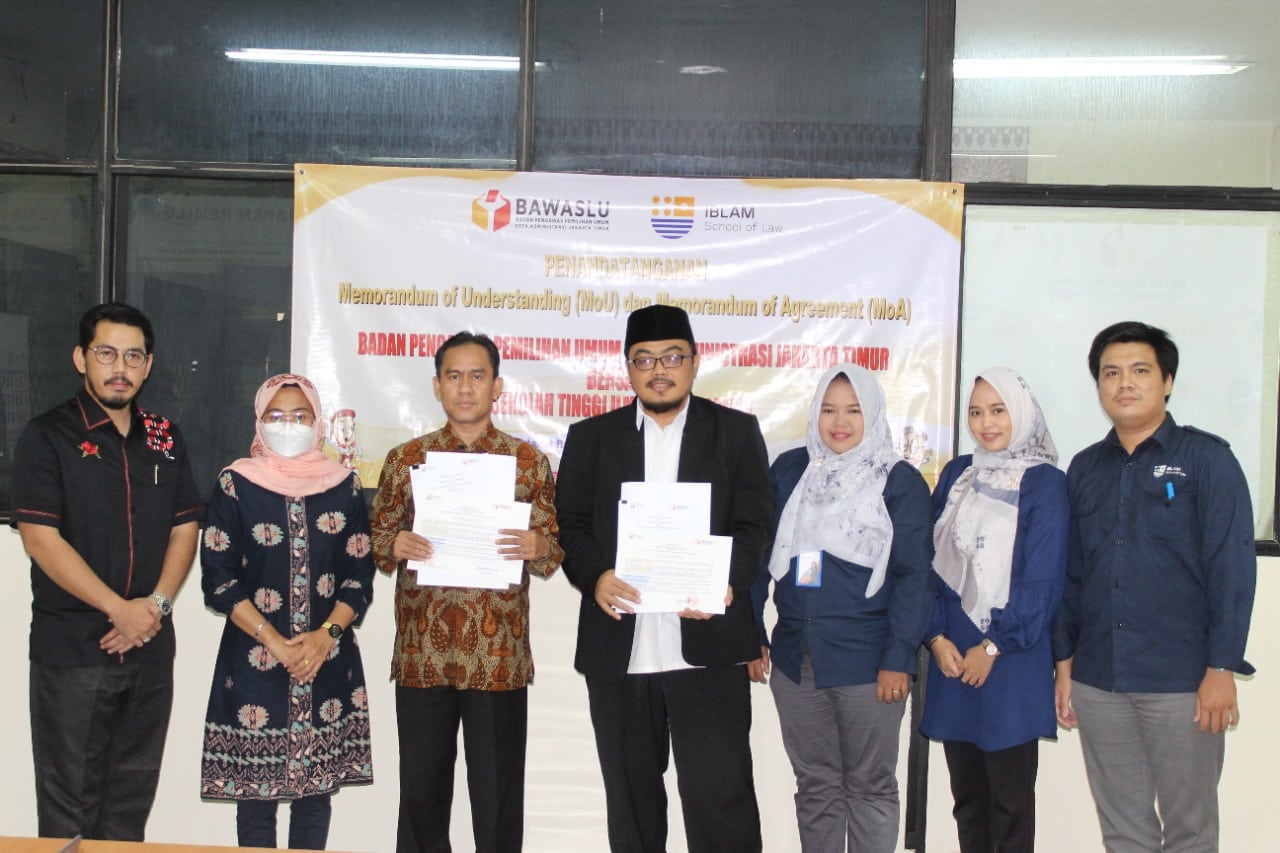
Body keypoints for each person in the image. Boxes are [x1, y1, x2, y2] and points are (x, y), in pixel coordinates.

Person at [556, 304, 773, 853]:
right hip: (621, 649)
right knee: (631, 808)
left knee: (721, 801)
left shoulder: (735, 433)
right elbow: (571, 526)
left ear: (695, 362)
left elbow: (754, 527)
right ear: (627, 368)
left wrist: (725, 583)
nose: (659, 370)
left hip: (708, 646)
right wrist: (595, 576)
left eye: (672, 357)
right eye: (644, 359)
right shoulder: (591, 438)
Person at [1053, 321, 1256, 852]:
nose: (1124, 383)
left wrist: (1221, 669)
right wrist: (1065, 666)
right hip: (1099, 680)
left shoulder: (1208, 461)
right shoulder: (1084, 468)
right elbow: (1071, 575)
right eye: (1110, 373)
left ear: (1167, 381)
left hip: (1184, 683)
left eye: (1140, 370)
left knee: (1190, 832)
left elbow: (1232, 570)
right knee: (1123, 832)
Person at [9, 302, 203, 840]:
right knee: (69, 810)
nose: (120, 367)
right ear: (81, 359)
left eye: (133, 356)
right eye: (107, 353)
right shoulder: (48, 436)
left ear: (148, 365)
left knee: (128, 811)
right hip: (74, 653)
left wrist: (155, 608)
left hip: (149, 651)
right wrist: (119, 609)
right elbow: (41, 539)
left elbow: (185, 527)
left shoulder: (165, 436)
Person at [370, 331, 562, 853]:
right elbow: (377, 539)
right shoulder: (406, 459)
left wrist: (537, 544)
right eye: (453, 376)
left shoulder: (528, 461)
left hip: (496, 656)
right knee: (421, 797)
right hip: (423, 655)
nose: (465, 387)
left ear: (497, 386)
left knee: (498, 801)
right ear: (437, 386)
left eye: (478, 376)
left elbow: (552, 549)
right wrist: (395, 543)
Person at [749, 363, 933, 853]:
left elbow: (915, 577)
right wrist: (751, 632)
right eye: (829, 410)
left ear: (872, 414)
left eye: (853, 410)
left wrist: (898, 658)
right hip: (796, 660)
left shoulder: (899, 481)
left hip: (869, 663)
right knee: (815, 787)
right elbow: (757, 556)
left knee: (871, 786)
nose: (839, 422)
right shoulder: (790, 471)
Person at [199, 373, 375, 850]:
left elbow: (359, 575)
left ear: (318, 423)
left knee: (315, 799)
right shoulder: (236, 484)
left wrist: (325, 636)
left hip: (326, 662)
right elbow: (218, 579)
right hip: (254, 663)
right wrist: (275, 642)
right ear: (259, 420)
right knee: (255, 798)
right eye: (276, 416)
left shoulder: (343, 485)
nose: (288, 425)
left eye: (300, 416)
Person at [921, 368, 1069, 853]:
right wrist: (936, 637)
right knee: (968, 802)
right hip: (952, 657)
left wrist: (993, 646)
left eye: (998, 410)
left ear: (1021, 413)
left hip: (1011, 661)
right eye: (976, 412)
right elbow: (928, 561)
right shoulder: (957, 474)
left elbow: (1043, 580)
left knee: (1010, 806)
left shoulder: (1045, 483)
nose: (986, 423)